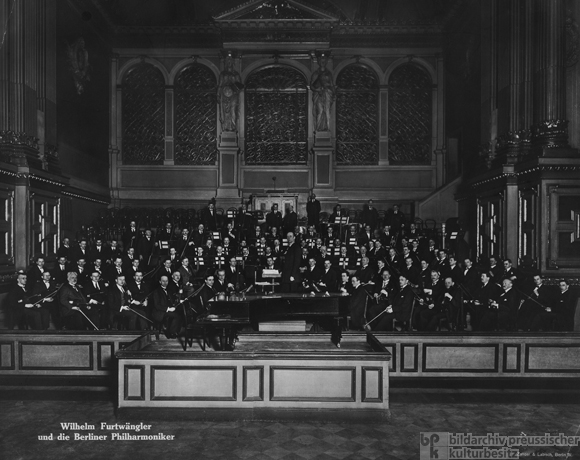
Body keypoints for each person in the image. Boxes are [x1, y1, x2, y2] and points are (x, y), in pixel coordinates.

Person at [311, 52, 336, 132]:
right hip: (319, 94)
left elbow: (332, 85)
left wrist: (334, 94)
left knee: (327, 111)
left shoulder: (329, 74)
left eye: (324, 60)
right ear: (318, 61)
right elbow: (312, 85)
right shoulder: (316, 73)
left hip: (328, 93)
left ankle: (327, 129)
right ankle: (318, 129)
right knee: (320, 111)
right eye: (321, 60)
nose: (323, 62)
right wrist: (317, 90)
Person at [218, 54, 243, 132]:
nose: (229, 62)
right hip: (224, 94)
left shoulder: (236, 74)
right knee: (225, 112)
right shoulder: (223, 74)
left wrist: (235, 89)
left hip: (234, 95)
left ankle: (233, 128)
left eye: (230, 61)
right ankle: (225, 129)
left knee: (233, 110)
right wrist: (218, 94)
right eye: (227, 61)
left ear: (233, 62)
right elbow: (220, 85)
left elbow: (240, 86)